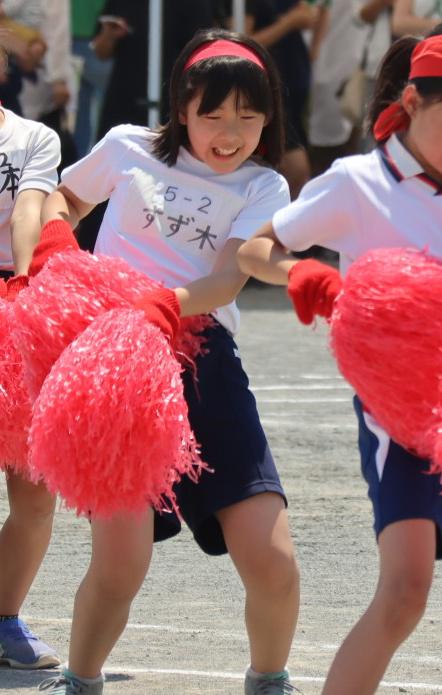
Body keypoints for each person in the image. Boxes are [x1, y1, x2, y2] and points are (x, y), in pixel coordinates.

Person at [36, 28, 299, 695]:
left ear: (269, 116)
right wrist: (57, 236)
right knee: (120, 566)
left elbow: (227, 279)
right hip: (113, 362)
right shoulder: (127, 146)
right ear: (182, 107)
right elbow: (65, 196)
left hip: (204, 359)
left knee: (273, 560)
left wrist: (162, 305)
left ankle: (270, 680)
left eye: (249, 115)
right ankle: (80, 682)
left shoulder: (265, 185)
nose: (230, 133)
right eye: (213, 114)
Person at [237, 32, 442, 695]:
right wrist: (305, 276)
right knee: (405, 590)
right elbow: (256, 249)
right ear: (413, 101)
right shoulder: (358, 182)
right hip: (401, 413)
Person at [0, 92, 62, 669]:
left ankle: (5, 619)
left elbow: (29, 209)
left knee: (36, 494)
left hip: (18, 305)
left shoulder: (33, 138)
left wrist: (23, 283)